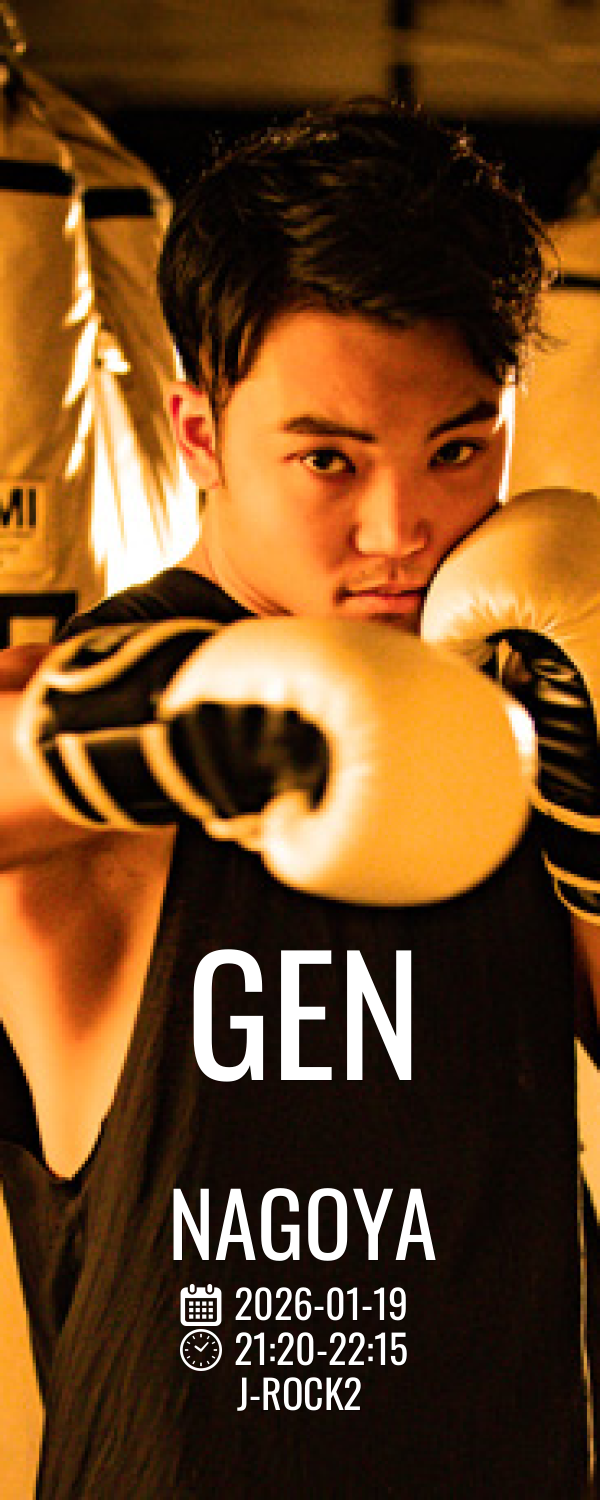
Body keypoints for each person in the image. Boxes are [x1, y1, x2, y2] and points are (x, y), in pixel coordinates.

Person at [0, 98, 598, 1498]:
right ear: (198, 434)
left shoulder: (520, 674)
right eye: (329, 458)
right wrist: (174, 737)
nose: (402, 531)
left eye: (458, 449)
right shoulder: (114, 703)